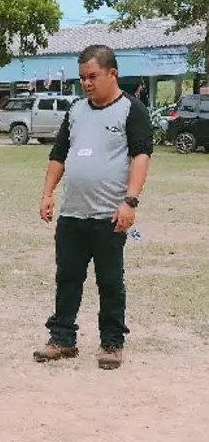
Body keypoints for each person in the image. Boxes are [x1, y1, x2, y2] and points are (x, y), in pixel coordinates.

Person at [36, 44, 153, 370]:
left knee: (110, 282)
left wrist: (130, 201)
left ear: (111, 73)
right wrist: (47, 194)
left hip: (110, 215)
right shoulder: (75, 110)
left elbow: (140, 156)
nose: (86, 84)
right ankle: (62, 338)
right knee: (68, 277)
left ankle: (112, 343)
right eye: (82, 78)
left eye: (92, 76)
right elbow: (58, 155)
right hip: (72, 214)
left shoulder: (132, 110)